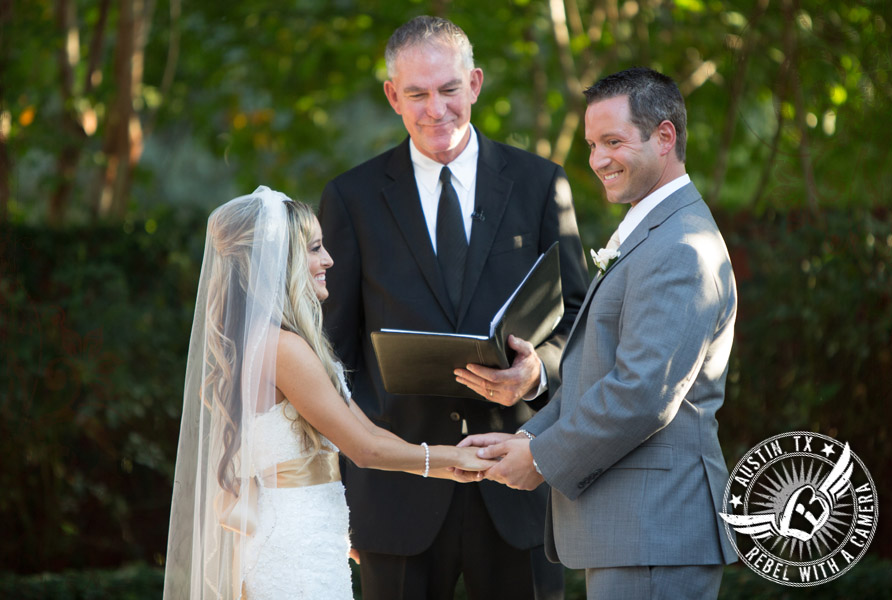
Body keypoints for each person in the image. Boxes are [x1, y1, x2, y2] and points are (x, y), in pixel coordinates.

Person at [318, 15, 589, 600]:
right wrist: (338, 495)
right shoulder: (351, 198)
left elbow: (581, 324)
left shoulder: (541, 185)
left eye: (448, 89)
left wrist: (538, 369)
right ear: (392, 95)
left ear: (475, 84)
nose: (435, 109)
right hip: (394, 494)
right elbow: (332, 358)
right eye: (416, 93)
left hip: (520, 484)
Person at [460, 67, 738, 599]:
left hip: (655, 530)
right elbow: (601, 373)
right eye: (592, 144)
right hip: (633, 534)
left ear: (664, 136)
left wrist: (540, 461)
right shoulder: (652, 231)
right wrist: (526, 438)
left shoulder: (681, 247)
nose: (597, 160)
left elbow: (640, 393)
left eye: (613, 141)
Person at [162, 186, 494, 600]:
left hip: (310, 532)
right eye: (315, 248)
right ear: (280, 260)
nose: (328, 260)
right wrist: (451, 456)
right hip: (294, 543)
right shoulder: (283, 348)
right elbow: (364, 450)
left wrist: (458, 464)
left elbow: (370, 433)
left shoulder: (273, 343)